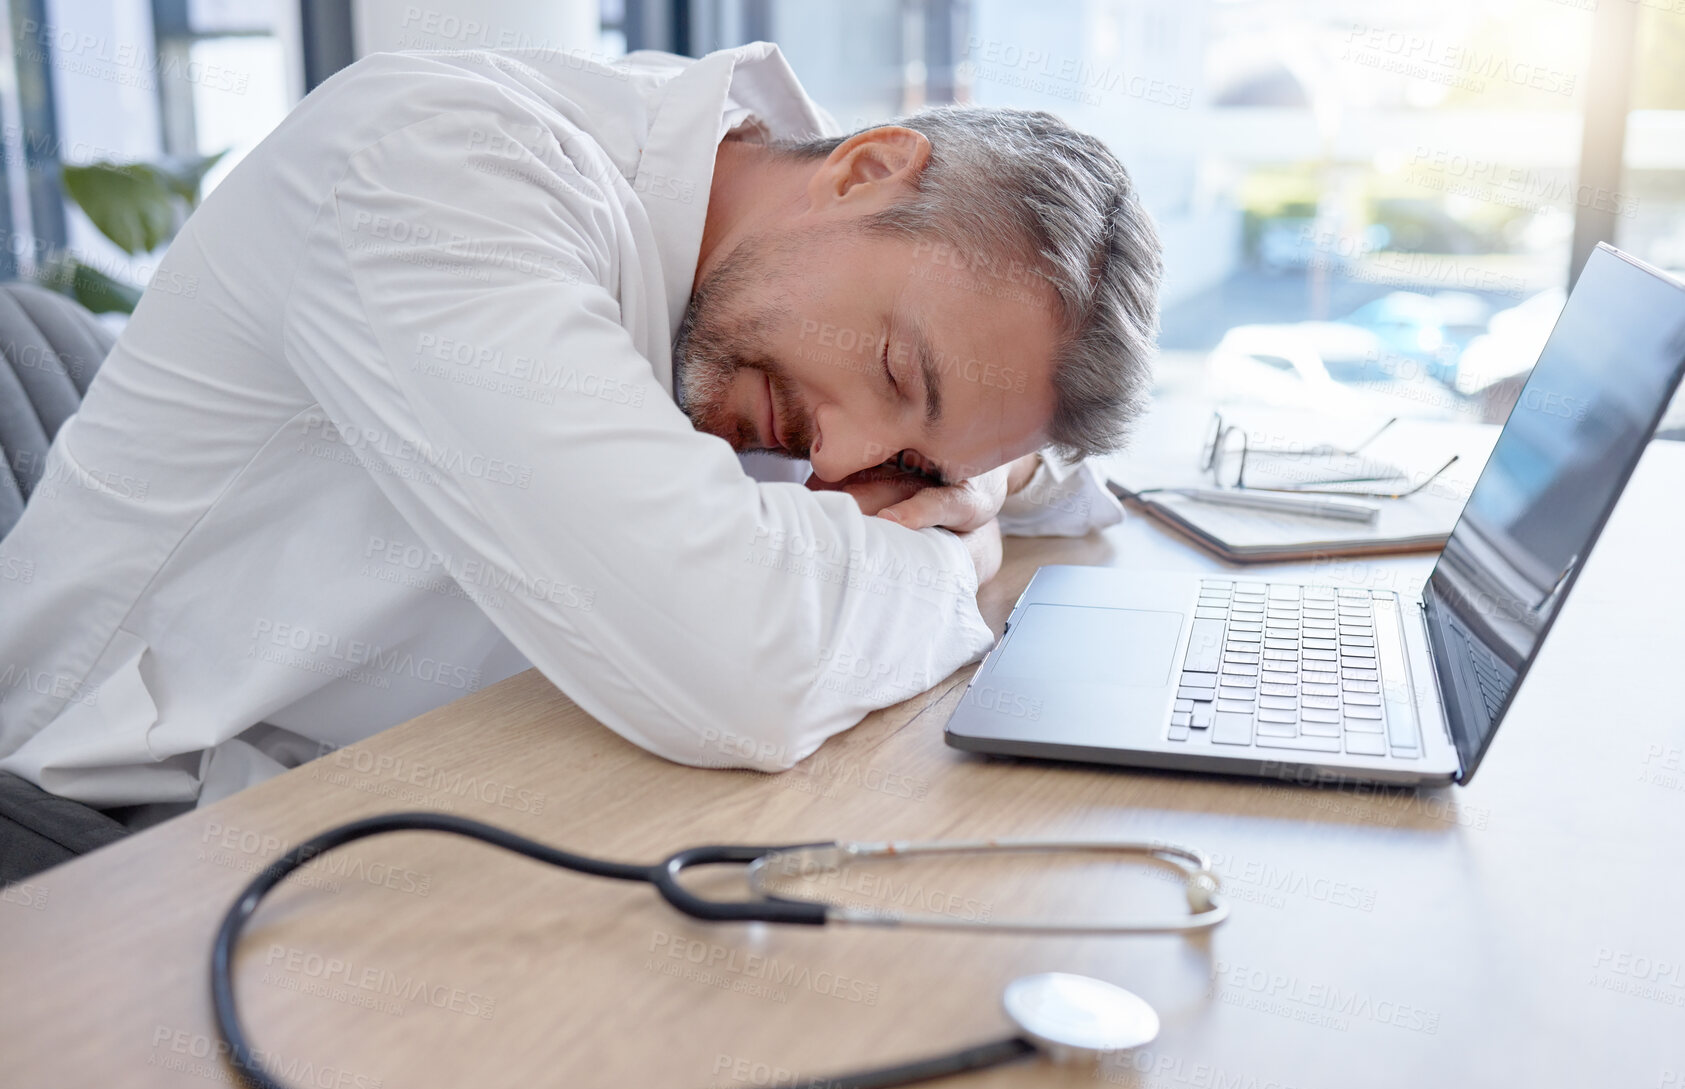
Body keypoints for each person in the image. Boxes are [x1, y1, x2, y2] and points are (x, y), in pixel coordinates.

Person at [0, 41, 1161, 860]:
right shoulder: (441, 167)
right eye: (897, 375)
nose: (839, 460)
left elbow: (1052, 471)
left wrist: (974, 466)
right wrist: (945, 553)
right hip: (116, 843)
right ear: (863, 170)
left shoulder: (738, 202)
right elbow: (739, 663)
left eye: (910, 466)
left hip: (400, 788)